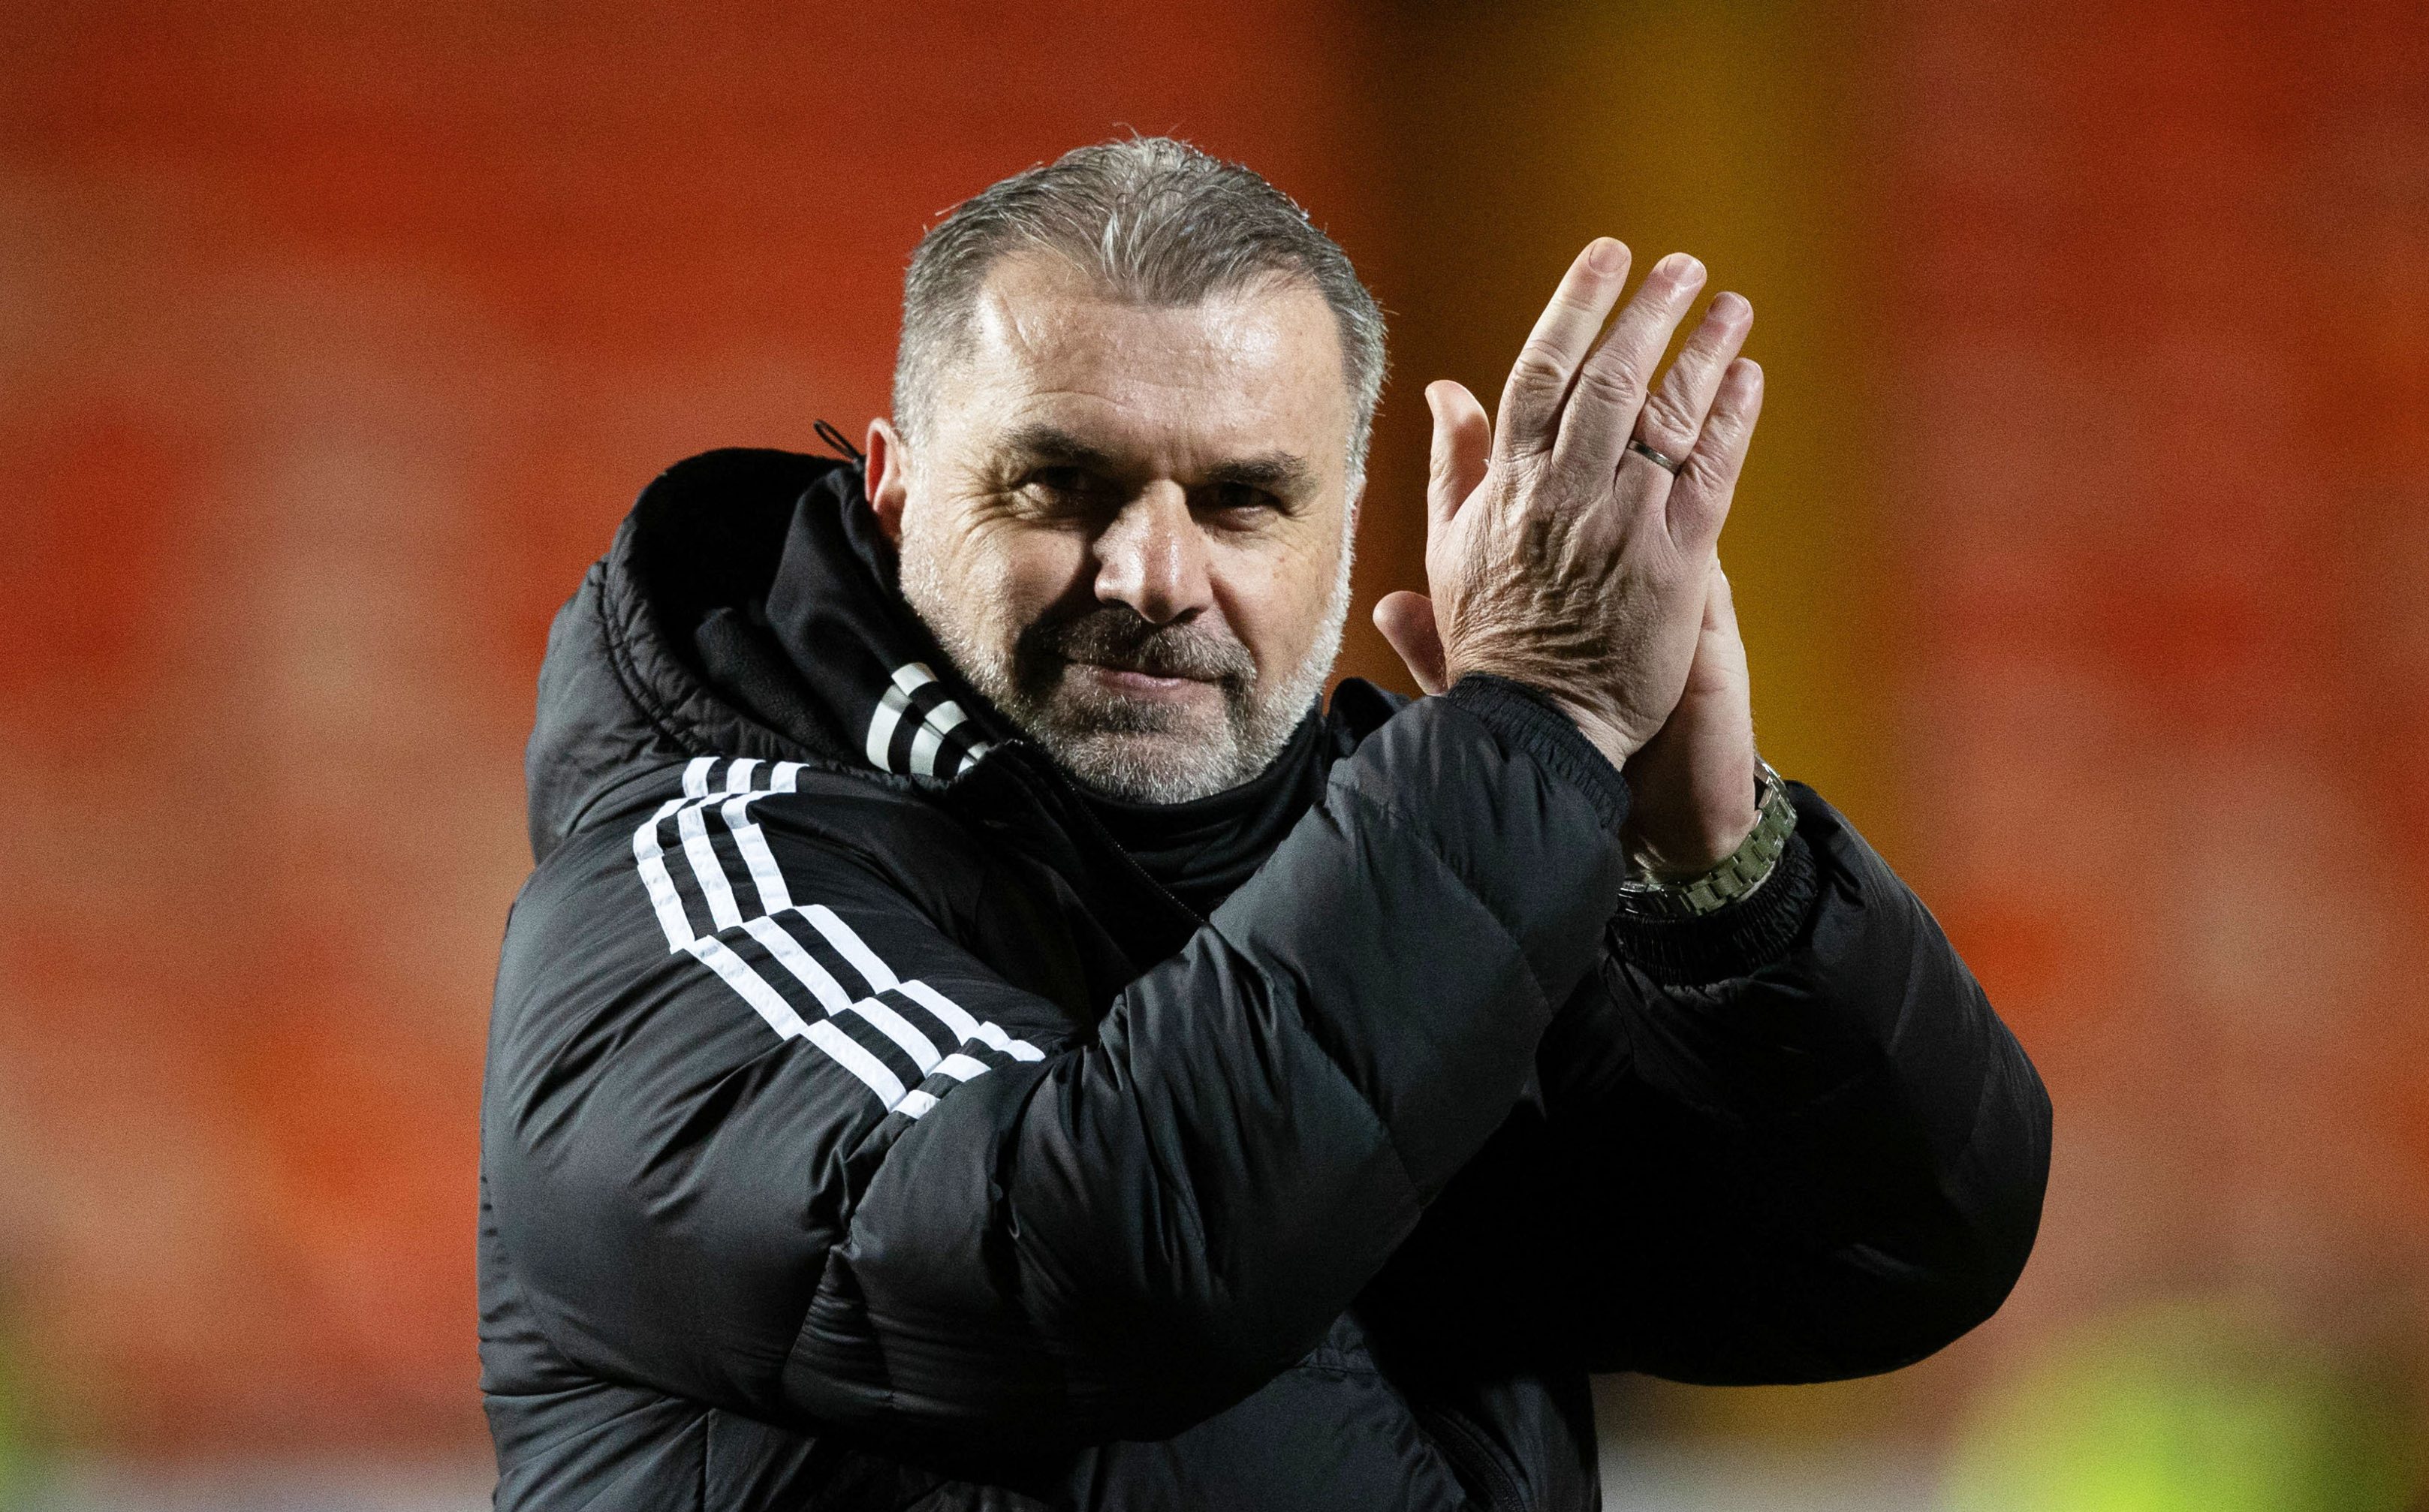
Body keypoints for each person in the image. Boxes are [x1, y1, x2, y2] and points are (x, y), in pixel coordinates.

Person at [477, 136, 2051, 1511]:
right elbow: (1082, 1256)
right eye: (1056, 485)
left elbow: (1885, 1250)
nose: (1154, 574)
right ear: (895, 494)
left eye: (1242, 500)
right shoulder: (695, 891)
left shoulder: (1435, 846)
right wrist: (1542, 728)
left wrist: (1714, 879)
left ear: (1345, 522)